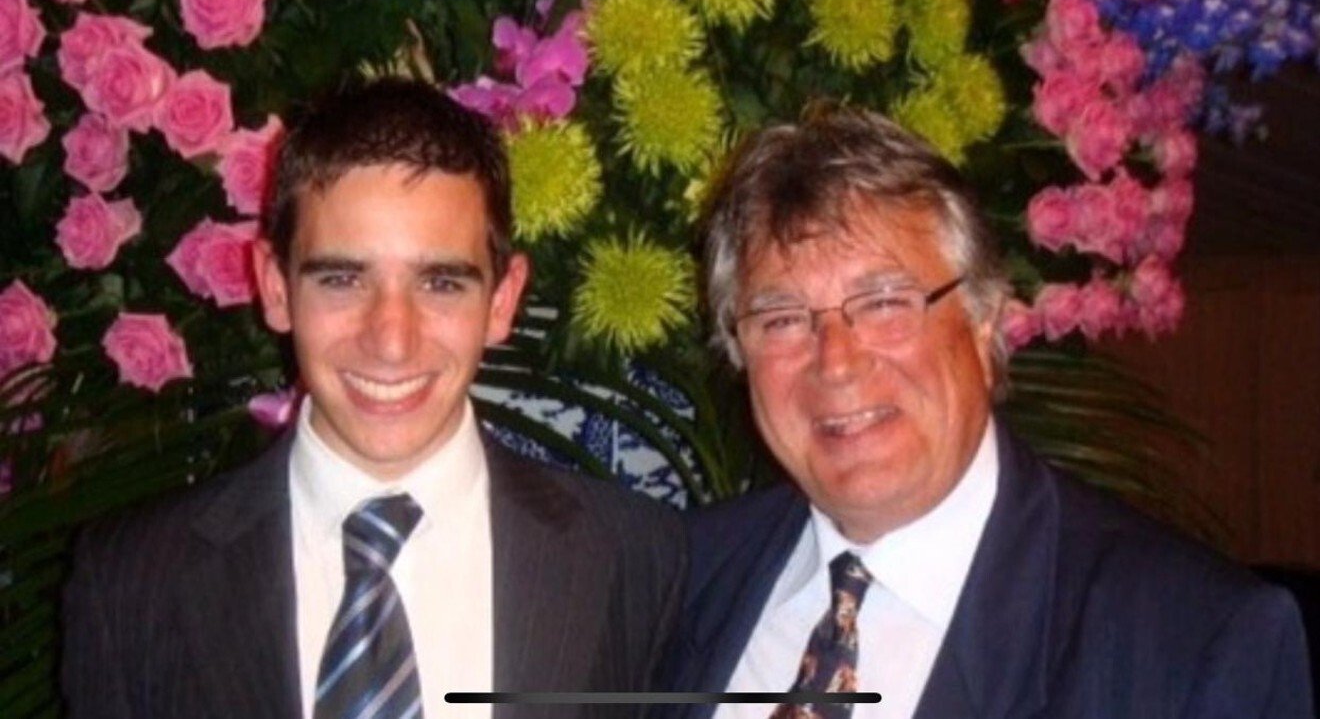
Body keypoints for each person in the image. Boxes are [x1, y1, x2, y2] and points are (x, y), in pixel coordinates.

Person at [654, 107, 1312, 718]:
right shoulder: (670, 579)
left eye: (885, 303)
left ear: (985, 322)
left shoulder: (1191, 645)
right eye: (782, 319)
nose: (836, 362)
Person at [62, 79, 686, 719]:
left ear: (502, 300)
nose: (391, 340)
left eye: (441, 283)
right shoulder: (131, 580)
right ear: (275, 287)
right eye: (342, 279)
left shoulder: (637, 558)